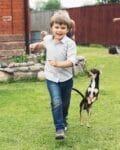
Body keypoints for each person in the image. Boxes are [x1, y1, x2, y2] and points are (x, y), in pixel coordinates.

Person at [29, 10, 77, 140]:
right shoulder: (48, 39)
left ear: (67, 29)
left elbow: (72, 61)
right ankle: (59, 128)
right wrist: (35, 45)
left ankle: (64, 118)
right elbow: (43, 44)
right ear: (51, 28)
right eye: (56, 27)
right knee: (56, 101)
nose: (59, 30)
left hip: (66, 79)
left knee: (65, 104)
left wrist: (58, 64)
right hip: (51, 78)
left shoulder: (70, 44)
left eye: (63, 28)